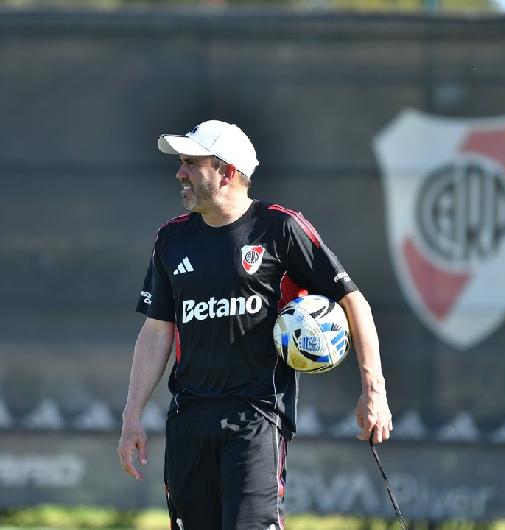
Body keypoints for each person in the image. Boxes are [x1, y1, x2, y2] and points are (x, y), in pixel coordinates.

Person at [117, 119, 393, 530]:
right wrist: (132, 414)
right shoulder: (171, 240)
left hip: (257, 417)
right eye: (180, 163)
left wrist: (374, 391)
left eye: (191, 163)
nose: (179, 173)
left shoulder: (279, 228)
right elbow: (157, 329)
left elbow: (355, 302)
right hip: (188, 421)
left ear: (227, 172)